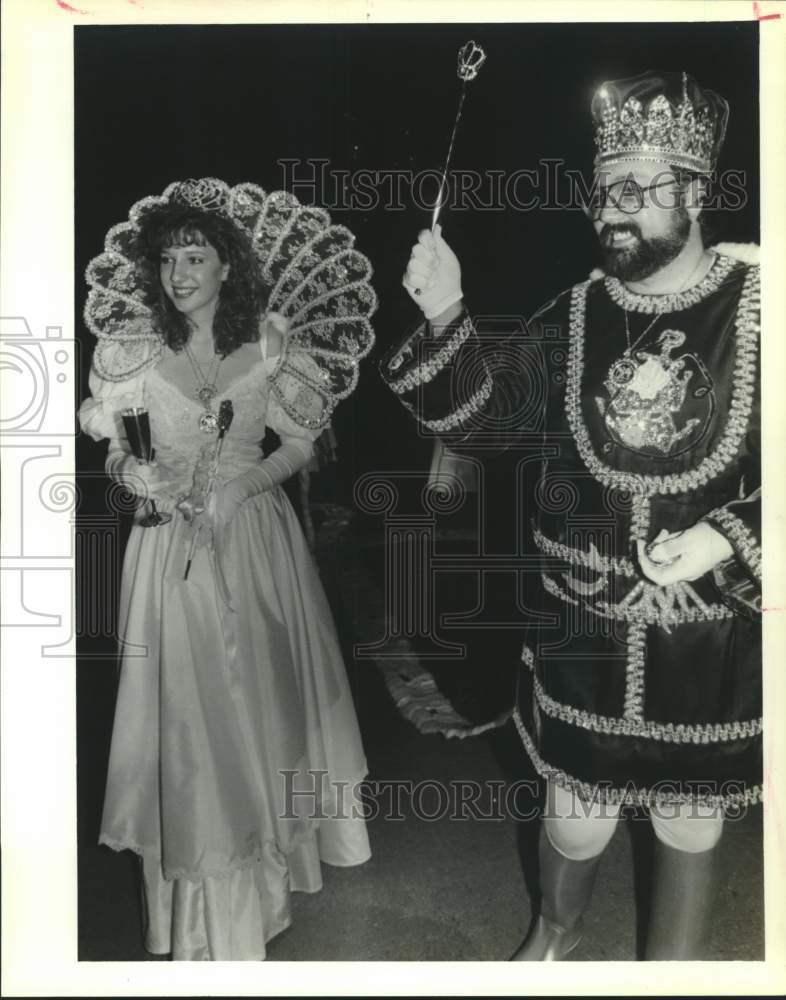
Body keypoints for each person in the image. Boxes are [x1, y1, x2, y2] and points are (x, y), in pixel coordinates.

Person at [380, 72, 761, 960]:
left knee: (689, 820)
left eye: (639, 189)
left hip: (709, 639)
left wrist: (727, 534)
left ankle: (672, 975)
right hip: (583, 634)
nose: (613, 211)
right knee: (577, 822)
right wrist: (446, 312)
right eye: (604, 190)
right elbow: (479, 421)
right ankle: (552, 940)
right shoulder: (576, 314)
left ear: (696, 190)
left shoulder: (762, 311)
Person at [79, 177, 376, 961]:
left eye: (196, 256)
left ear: (227, 268)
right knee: (189, 720)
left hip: (255, 544)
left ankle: (268, 865)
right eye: (169, 257)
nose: (180, 273)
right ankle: (208, 902)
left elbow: (302, 444)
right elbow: (122, 440)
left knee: (263, 706)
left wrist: (242, 485)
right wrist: (130, 472)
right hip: (166, 546)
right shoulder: (135, 348)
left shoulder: (271, 341)